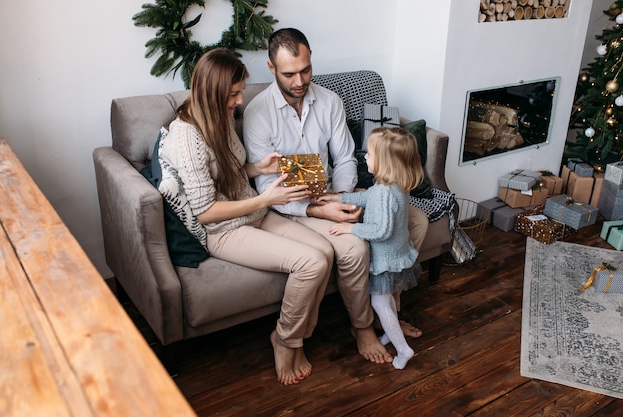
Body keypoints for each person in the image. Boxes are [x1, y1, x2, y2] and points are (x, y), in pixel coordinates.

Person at [243, 28, 427, 365]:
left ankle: (389, 308)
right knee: (355, 247)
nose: (300, 80)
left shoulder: (329, 101)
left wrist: (341, 198)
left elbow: (344, 158)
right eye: (289, 73)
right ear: (271, 68)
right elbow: (266, 186)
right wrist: (319, 211)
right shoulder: (257, 113)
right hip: (291, 208)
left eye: (306, 69)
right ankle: (363, 327)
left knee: (416, 219)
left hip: (334, 191)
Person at [157, 48, 334, 385]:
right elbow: (206, 211)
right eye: (234, 93)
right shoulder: (187, 136)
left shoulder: (218, 115)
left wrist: (257, 167)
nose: (239, 101)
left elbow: (228, 171)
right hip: (224, 230)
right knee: (310, 262)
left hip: (253, 211)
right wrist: (265, 198)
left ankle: (301, 335)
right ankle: (284, 340)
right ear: (213, 92)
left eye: (239, 92)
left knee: (325, 252)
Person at [317, 127, 423, 369]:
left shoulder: (386, 193)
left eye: (370, 154)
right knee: (386, 303)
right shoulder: (394, 185)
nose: (365, 156)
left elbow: (380, 231)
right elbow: (367, 197)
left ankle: (403, 350)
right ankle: (389, 335)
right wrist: (339, 198)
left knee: (380, 305)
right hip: (398, 254)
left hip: (385, 260)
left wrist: (350, 229)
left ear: (385, 162)